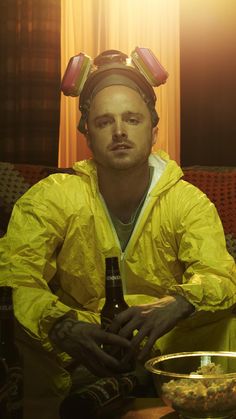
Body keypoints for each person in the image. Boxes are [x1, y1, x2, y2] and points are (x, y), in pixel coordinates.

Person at [0, 48, 235, 412]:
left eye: (132, 119)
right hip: (83, 340)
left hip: (164, 342)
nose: (120, 132)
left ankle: (183, 395)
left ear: (154, 130)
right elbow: (16, 272)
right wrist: (61, 325)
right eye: (105, 121)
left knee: (226, 322)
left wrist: (181, 302)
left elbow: (218, 273)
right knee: (28, 324)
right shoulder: (54, 196)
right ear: (88, 135)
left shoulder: (187, 201)